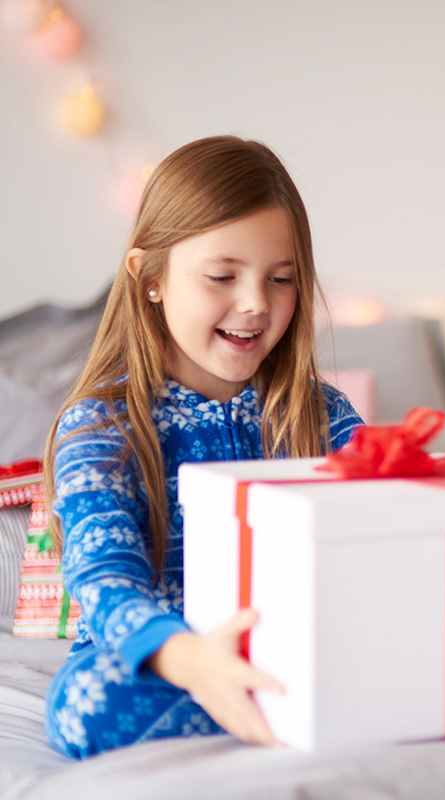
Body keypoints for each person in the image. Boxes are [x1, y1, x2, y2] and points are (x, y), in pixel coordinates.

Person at [42, 136, 364, 759]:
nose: (255, 304)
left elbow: (389, 520)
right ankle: (301, 703)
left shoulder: (322, 413)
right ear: (150, 278)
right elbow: (102, 575)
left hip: (306, 643)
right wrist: (184, 656)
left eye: (282, 279)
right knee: (86, 705)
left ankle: (291, 697)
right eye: (222, 276)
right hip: (162, 659)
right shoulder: (102, 425)